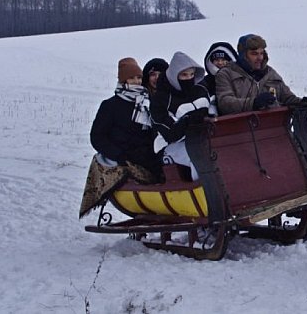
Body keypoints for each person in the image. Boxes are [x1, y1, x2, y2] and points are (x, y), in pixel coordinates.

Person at [81, 57, 160, 217]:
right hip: (123, 156)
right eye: (132, 78)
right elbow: (97, 136)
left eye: (138, 78)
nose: (136, 82)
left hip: (146, 155)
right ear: (123, 80)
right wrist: (118, 154)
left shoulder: (146, 102)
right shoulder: (110, 105)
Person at [215, 34, 307, 114]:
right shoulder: (226, 74)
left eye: (261, 53)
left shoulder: (271, 73)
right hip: (241, 133)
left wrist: (303, 103)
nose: (260, 58)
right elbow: (225, 103)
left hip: (272, 130)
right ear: (243, 55)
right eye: (254, 54)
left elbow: (288, 98)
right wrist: (254, 103)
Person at [150, 51, 211, 180]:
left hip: (203, 139)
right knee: (200, 158)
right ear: (174, 76)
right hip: (170, 146)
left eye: (192, 74)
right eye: (184, 75)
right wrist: (188, 120)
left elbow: (214, 112)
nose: (189, 78)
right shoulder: (161, 100)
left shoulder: (201, 90)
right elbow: (170, 134)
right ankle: (204, 193)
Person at [199, 42, 236, 116]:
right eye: (216, 60)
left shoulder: (239, 78)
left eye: (223, 59)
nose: (220, 63)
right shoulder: (205, 83)